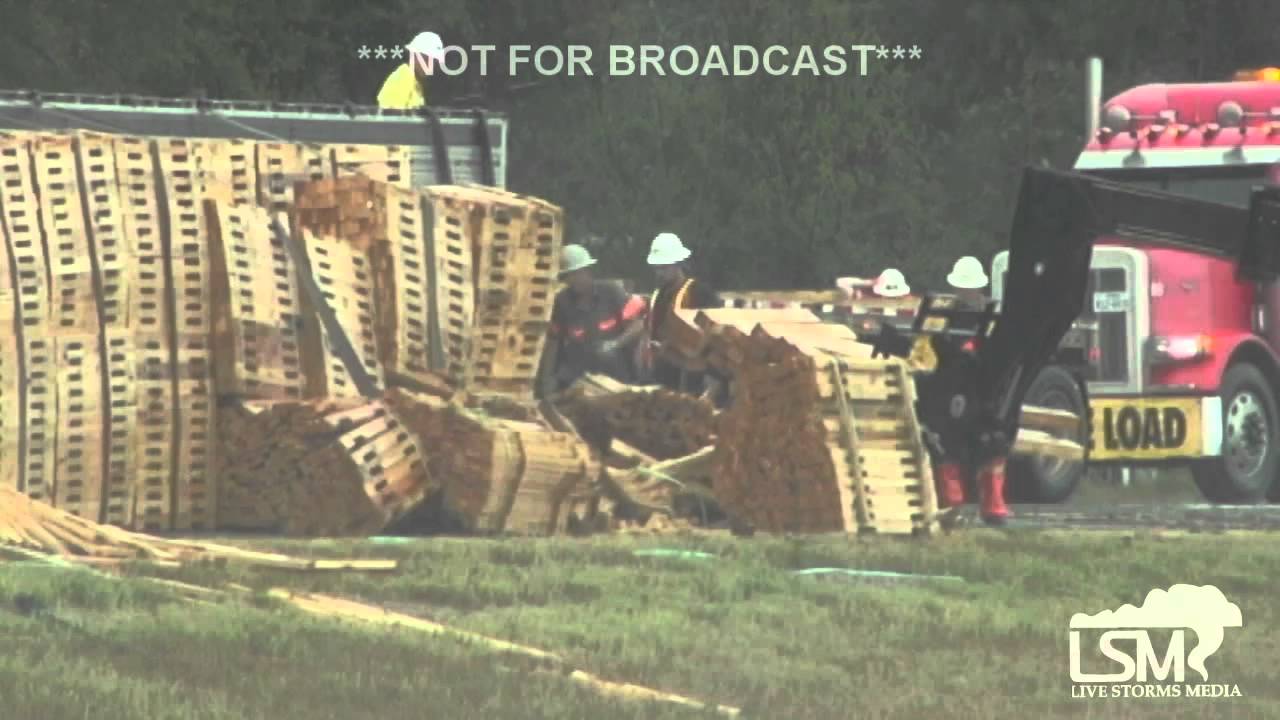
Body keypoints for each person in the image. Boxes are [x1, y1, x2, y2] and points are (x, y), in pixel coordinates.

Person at [538, 244, 646, 396]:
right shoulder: (562, 302)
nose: (573, 280)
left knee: (607, 357)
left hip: (614, 375)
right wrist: (547, 380)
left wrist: (615, 343)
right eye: (569, 275)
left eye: (577, 273)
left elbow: (639, 324)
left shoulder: (611, 292)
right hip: (579, 377)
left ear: (587, 270)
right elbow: (553, 343)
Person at [640, 232, 723, 397]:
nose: (659, 273)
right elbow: (651, 330)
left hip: (692, 374)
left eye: (664, 267)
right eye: (657, 268)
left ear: (678, 264)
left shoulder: (699, 292)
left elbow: (714, 330)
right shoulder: (658, 295)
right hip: (663, 371)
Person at [377, 31, 445, 110]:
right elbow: (394, 114)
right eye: (427, 60)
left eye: (434, 62)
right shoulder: (402, 79)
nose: (431, 66)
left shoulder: (413, 80)